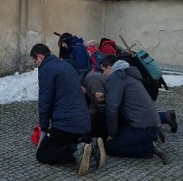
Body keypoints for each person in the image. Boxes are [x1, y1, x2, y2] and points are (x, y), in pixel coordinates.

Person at [30, 43, 106, 175]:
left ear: (40, 56)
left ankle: (76, 150)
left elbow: (45, 101)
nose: (35, 65)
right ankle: (90, 144)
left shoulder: (46, 69)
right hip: (83, 122)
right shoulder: (65, 65)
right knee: (64, 140)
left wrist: (43, 128)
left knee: (43, 153)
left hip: (68, 123)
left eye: (35, 61)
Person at [101, 54, 169, 164]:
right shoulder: (128, 74)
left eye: (103, 70)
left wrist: (112, 134)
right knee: (121, 136)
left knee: (110, 146)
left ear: (109, 67)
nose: (103, 74)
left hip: (142, 127)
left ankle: (149, 148)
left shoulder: (116, 77)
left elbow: (112, 109)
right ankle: (149, 140)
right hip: (150, 123)